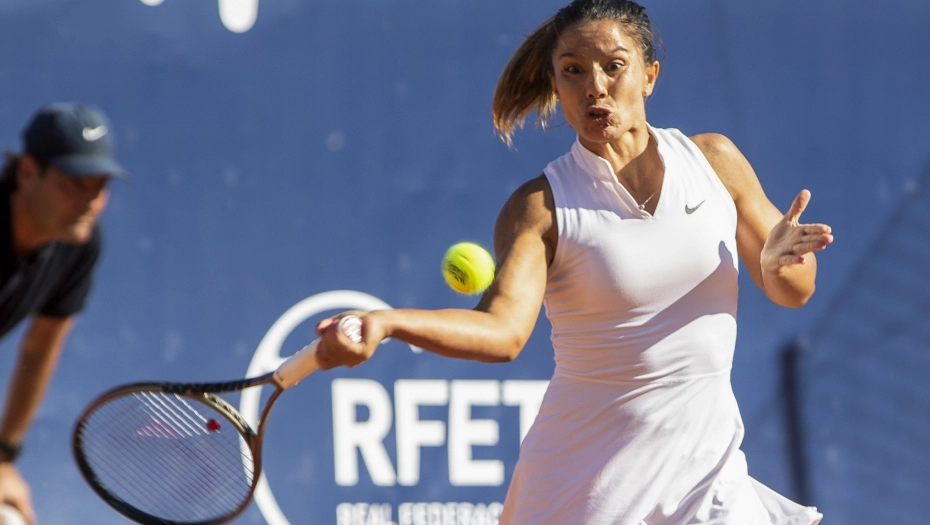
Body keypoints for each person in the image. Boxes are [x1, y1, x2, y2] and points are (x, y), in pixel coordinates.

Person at [314, 1, 832, 523]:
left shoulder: (715, 163)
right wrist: (389, 323)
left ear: (649, 76)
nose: (595, 87)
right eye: (574, 71)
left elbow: (796, 290)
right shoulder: (541, 207)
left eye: (614, 66)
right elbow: (502, 332)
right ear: (556, 86)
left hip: (708, 482)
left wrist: (778, 263)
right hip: (586, 491)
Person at [0, 103, 128, 524]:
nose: (89, 202)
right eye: (74, 184)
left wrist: (4, 457)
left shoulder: (79, 244)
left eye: (99, 186)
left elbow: (39, 348)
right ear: (26, 172)